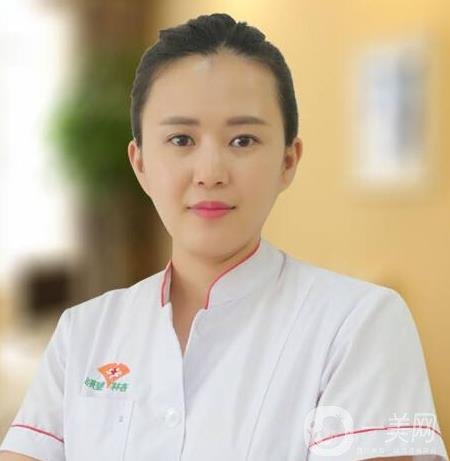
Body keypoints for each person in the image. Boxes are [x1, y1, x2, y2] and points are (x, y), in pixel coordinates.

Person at [0, 12, 447, 461]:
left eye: (242, 140)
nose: (210, 173)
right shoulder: (83, 332)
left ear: (288, 161)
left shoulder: (359, 323)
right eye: (181, 140)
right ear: (140, 164)